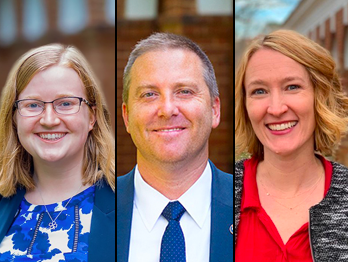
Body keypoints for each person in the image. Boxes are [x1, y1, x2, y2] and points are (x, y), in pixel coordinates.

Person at [117, 32, 233, 262]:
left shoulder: (250, 203)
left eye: (184, 91)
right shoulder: (93, 208)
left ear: (214, 110)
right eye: (149, 94)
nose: (167, 109)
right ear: (127, 116)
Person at [235, 29, 348, 261]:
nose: (276, 108)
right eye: (259, 91)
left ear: (320, 95)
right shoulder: (218, 193)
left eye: (292, 87)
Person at [0, 44, 115, 262]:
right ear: (14, 118)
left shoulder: (129, 205)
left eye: (66, 103)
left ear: (92, 117)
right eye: (33, 105)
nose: (49, 120)